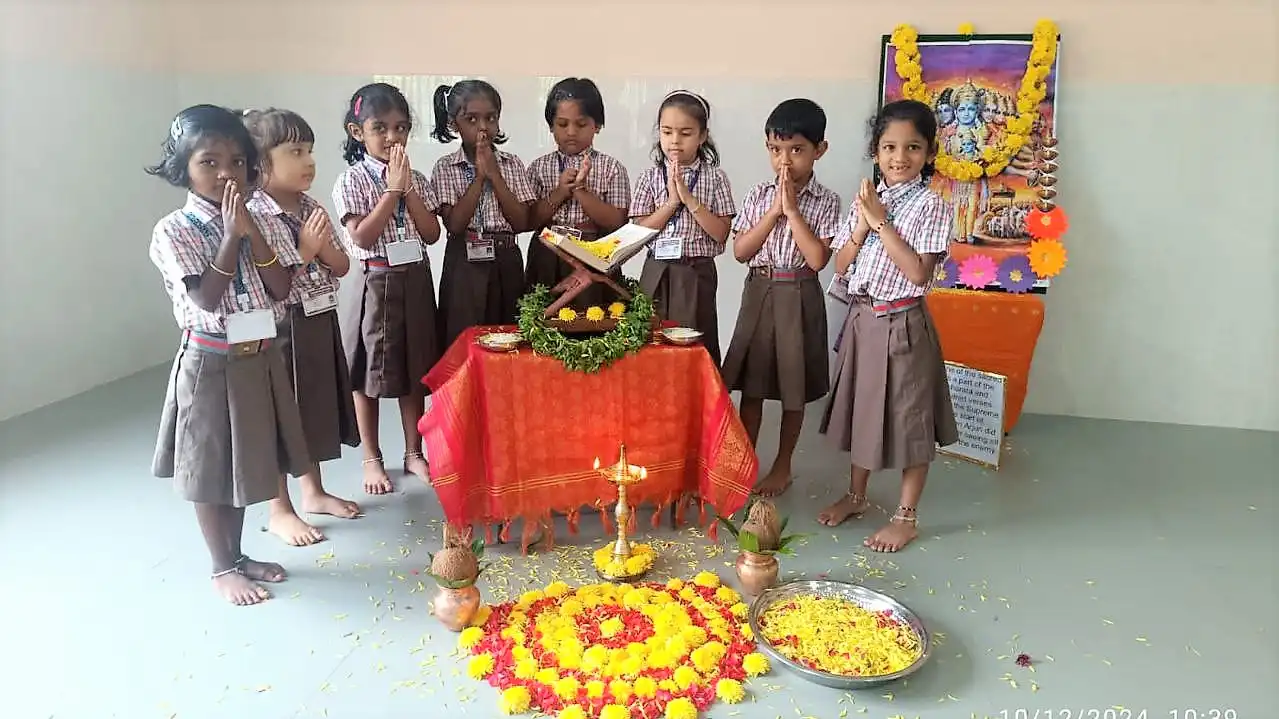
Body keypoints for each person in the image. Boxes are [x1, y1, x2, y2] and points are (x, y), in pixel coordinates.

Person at [146, 104, 311, 605]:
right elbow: (206, 298)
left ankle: (239, 556)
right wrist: (231, 235)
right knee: (213, 470)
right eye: (209, 163)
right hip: (211, 360)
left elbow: (281, 286)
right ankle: (222, 568)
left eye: (237, 162)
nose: (226, 174)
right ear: (183, 168)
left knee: (245, 466)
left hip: (257, 356)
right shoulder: (173, 230)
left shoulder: (259, 216)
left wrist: (251, 229)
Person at [817, 99, 959, 552]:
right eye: (890, 147)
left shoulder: (930, 205)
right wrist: (862, 224)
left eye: (913, 147)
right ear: (875, 151)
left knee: (909, 418)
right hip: (863, 318)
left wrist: (880, 223)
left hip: (902, 323)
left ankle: (906, 515)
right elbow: (839, 264)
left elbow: (918, 273)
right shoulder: (866, 199)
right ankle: (857, 495)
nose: (900, 157)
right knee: (863, 410)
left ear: (929, 152)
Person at [242, 108, 361, 546]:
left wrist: (321, 249)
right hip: (280, 327)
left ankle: (313, 491)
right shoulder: (254, 215)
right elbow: (271, 285)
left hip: (318, 318)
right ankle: (279, 508)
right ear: (260, 162)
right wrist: (307, 250)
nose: (308, 161)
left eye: (309, 150)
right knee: (280, 412)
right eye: (295, 151)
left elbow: (344, 264)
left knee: (312, 406)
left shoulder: (311, 205)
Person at [722, 99, 841, 497]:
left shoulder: (827, 201)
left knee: (793, 386)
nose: (785, 160)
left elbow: (818, 259)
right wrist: (773, 211)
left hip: (800, 291)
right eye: (776, 150)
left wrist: (792, 211)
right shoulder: (758, 194)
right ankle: (744, 459)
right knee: (752, 386)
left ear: (819, 150)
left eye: (797, 150)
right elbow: (740, 252)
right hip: (760, 290)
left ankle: (783, 466)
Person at [332, 82, 443, 495]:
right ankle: (371, 457)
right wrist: (391, 191)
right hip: (375, 281)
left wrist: (407, 187)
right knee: (369, 374)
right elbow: (361, 236)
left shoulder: (416, 178)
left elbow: (431, 233)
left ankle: (414, 452)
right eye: (380, 127)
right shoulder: (352, 180)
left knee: (414, 368)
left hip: (414, 277)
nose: (392, 137)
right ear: (357, 131)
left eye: (400, 128)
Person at [430, 79, 537, 351]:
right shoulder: (446, 167)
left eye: (490, 118)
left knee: (510, 338)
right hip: (464, 261)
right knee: (463, 341)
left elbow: (522, 222)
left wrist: (494, 174)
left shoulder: (511, 164)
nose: (483, 127)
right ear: (455, 124)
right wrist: (479, 177)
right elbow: (454, 224)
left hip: (506, 260)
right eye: (472, 119)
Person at [630, 90, 735, 365]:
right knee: (650, 345)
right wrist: (670, 203)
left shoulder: (716, 178)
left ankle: (694, 406)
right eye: (667, 132)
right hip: (656, 270)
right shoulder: (649, 177)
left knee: (694, 349)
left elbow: (721, 233)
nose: (675, 140)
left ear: (702, 136)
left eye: (686, 133)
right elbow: (637, 233)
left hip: (696, 272)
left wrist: (688, 199)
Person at [525, 77, 631, 308]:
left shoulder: (611, 167)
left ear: (597, 125)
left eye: (581, 124)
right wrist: (560, 192)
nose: (571, 132)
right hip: (547, 254)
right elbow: (530, 219)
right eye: (562, 124)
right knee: (544, 320)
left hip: (593, 254)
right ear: (551, 125)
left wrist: (582, 192)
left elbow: (617, 222)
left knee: (592, 323)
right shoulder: (538, 167)